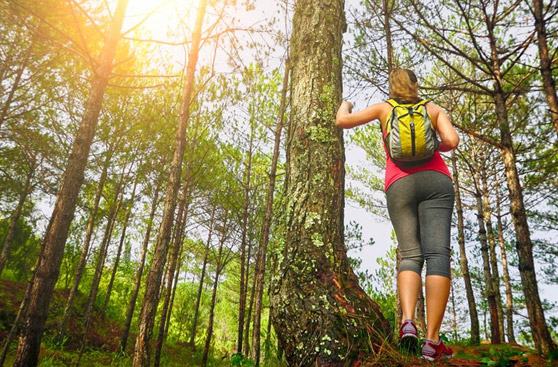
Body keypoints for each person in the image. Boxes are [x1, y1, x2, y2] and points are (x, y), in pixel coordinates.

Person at [335, 69, 459, 361]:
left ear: (393, 86)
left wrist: (346, 104)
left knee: (409, 254)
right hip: (437, 180)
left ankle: (407, 323)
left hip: (399, 183)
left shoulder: (383, 108)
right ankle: (432, 341)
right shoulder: (432, 108)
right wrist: (433, 146)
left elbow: (342, 121)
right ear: (416, 85)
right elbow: (452, 141)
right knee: (438, 255)